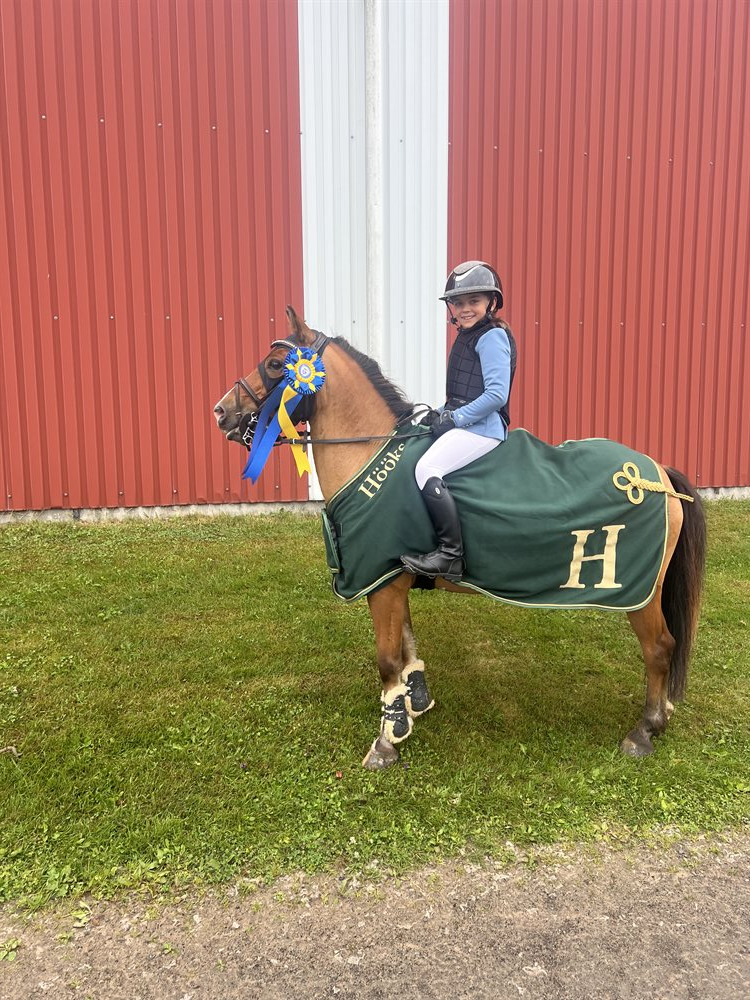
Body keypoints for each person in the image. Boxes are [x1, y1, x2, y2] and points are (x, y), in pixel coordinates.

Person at [401, 260, 517, 581]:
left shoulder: (492, 337)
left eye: (474, 301)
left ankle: (450, 555)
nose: (465, 309)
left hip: (485, 430)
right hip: (468, 423)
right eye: (459, 302)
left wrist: (454, 419)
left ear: (491, 303)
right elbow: (464, 392)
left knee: (427, 469)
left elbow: (496, 395)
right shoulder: (468, 335)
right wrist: (438, 412)